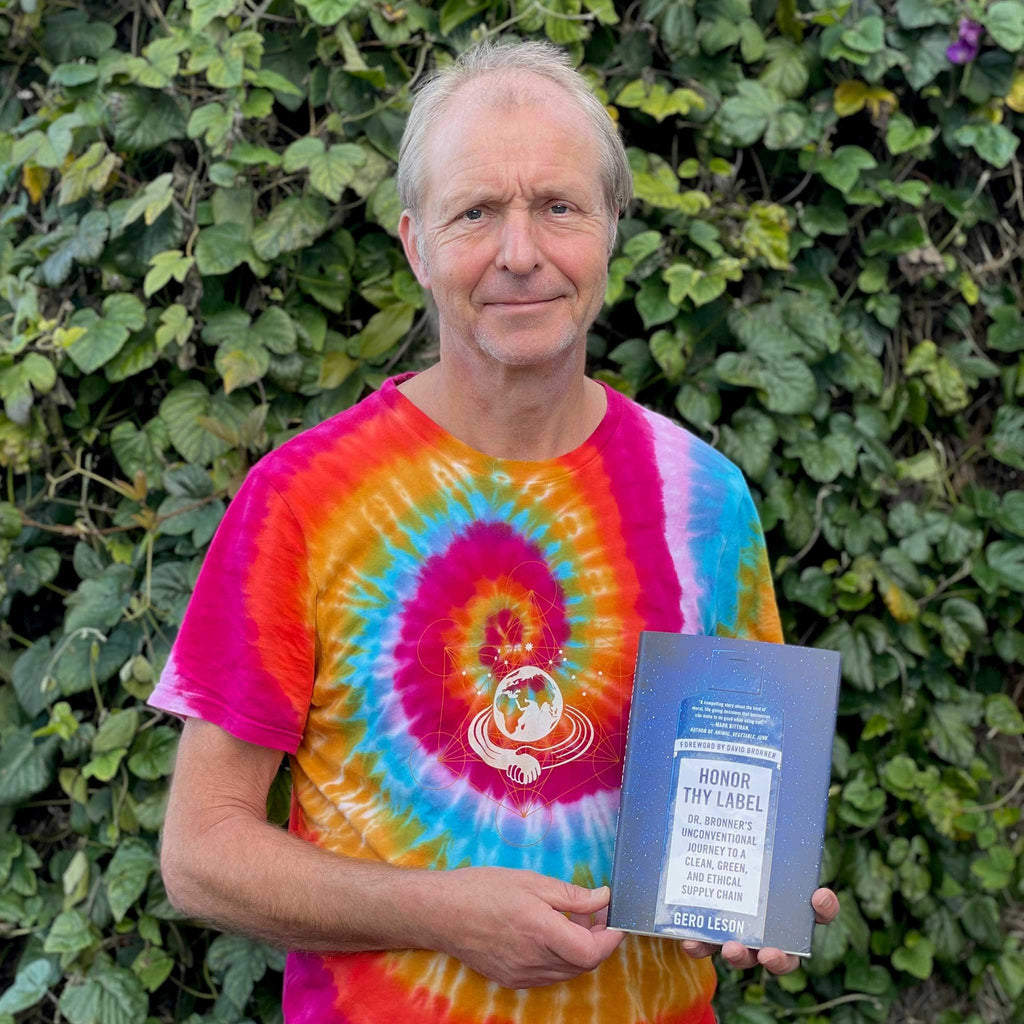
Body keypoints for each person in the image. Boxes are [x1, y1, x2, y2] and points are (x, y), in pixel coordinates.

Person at [152, 39, 839, 1024]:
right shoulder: (304, 499)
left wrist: (756, 896)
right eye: (476, 212)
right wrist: (440, 912)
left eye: (558, 206)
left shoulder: (706, 500)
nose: (521, 253)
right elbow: (201, 854)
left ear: (610, 230)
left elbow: (733, 803)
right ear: (414, 244)